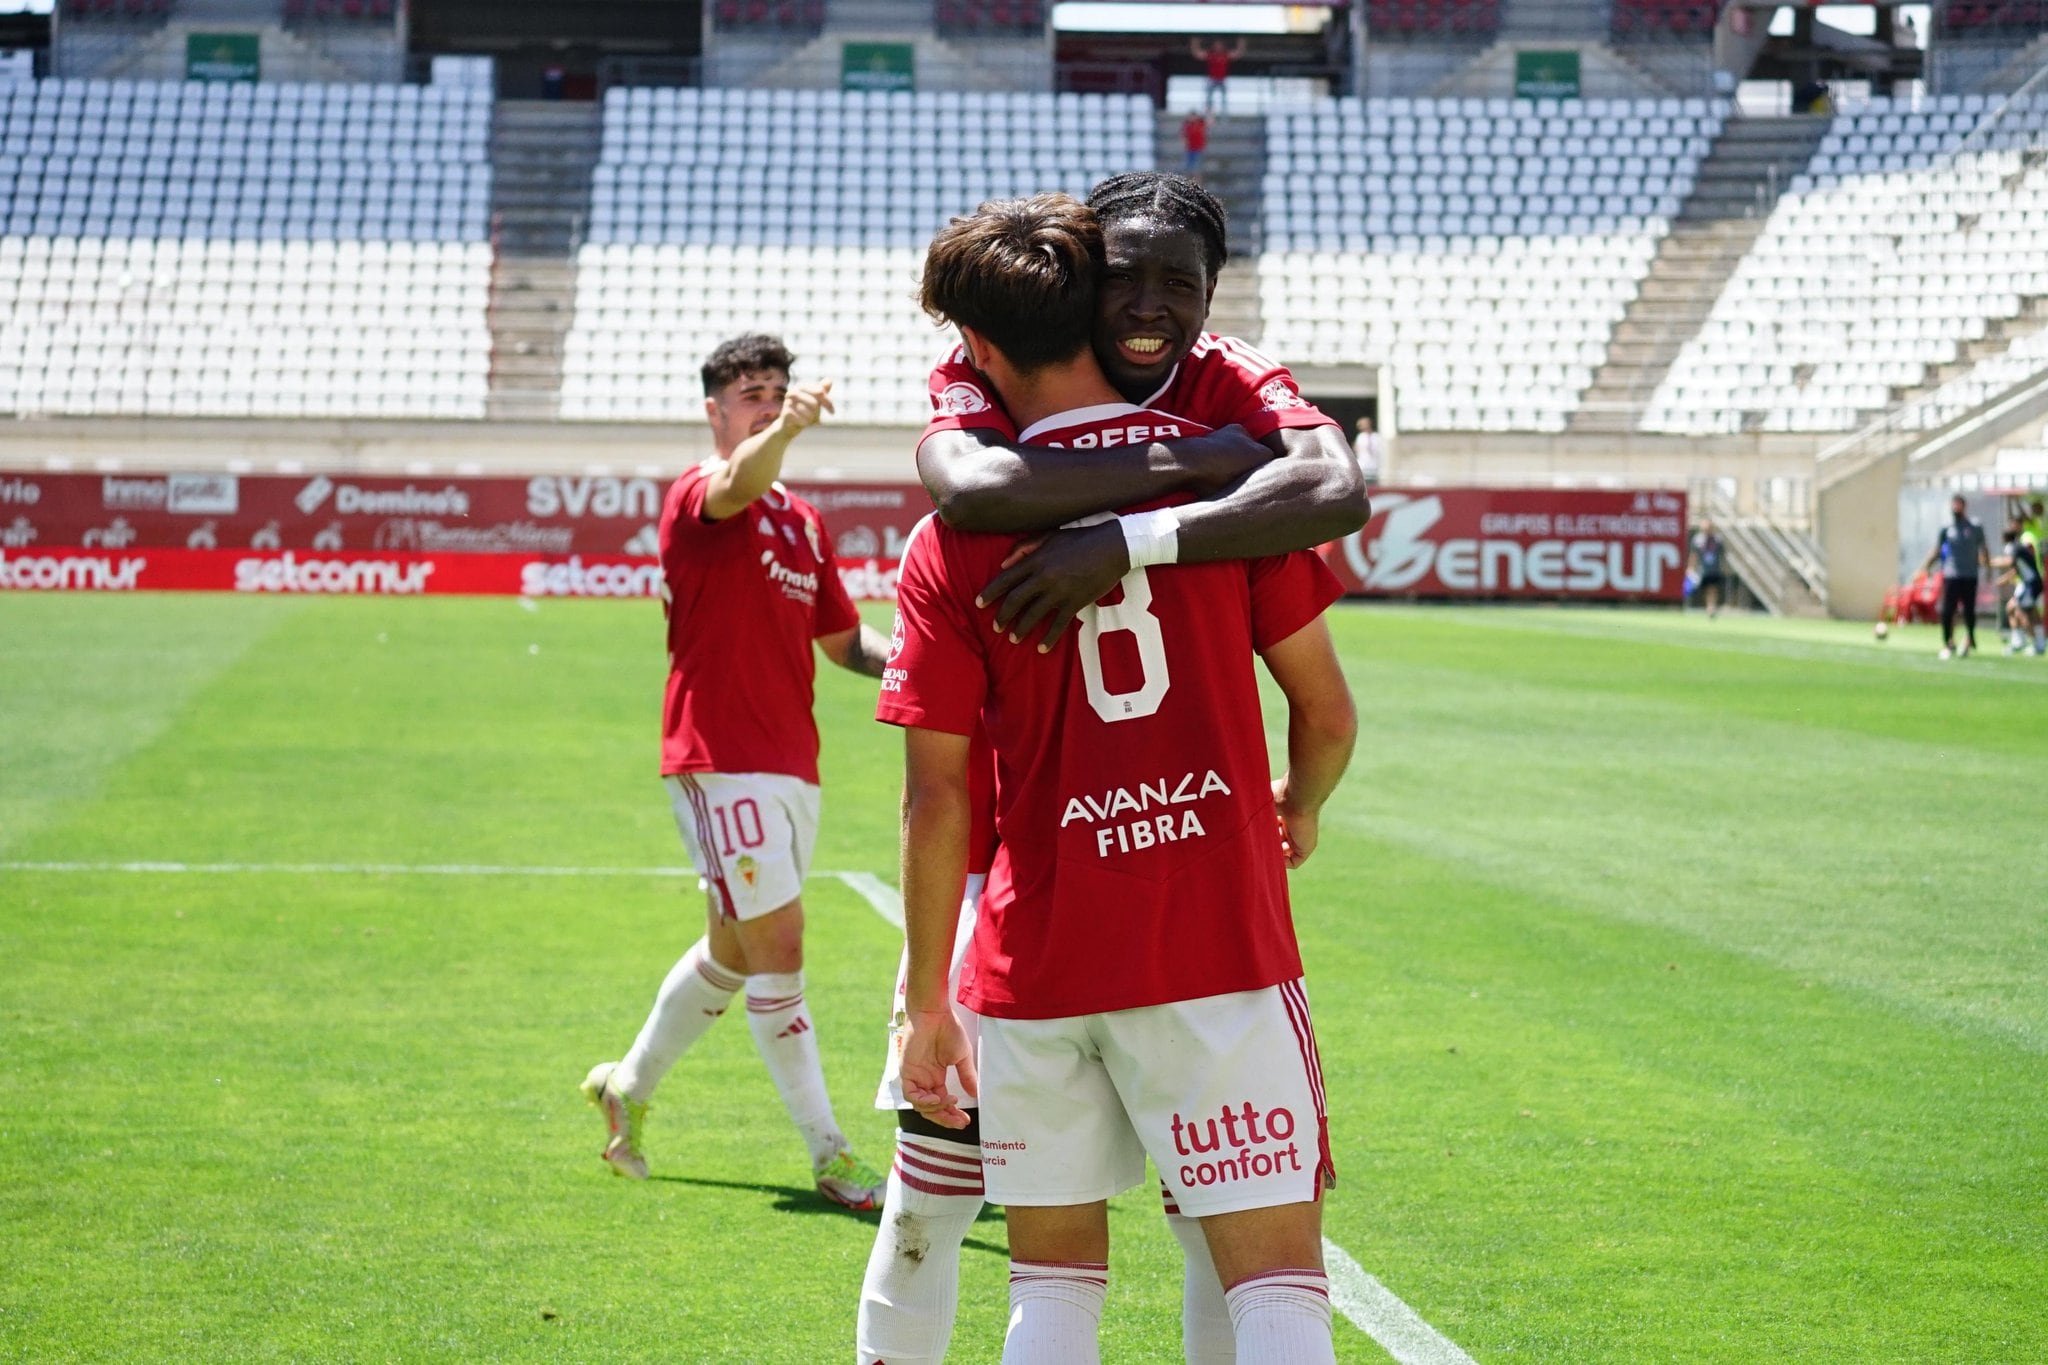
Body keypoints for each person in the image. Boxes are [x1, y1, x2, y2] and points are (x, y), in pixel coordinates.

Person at [858, 173, 1367, 1365]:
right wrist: (1298, 802)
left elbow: (933, 793)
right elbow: (1328, 714)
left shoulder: (947, 542)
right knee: (1275, 1284)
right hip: (1214, 938)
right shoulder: (1243, 483)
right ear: (1083, 293)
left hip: (1031, 953)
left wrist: (928, 998)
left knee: (1050, 1287)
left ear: (978, 342)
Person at [580, 334, 894, 1211]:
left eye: (776, 391)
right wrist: (784, 431)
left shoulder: (803, 521)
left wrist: (917, 661)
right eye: (749, 394)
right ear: (715, 410)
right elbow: (739, 479)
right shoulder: (702, 492)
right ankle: (831, 1154)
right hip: (722, 760)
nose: (766, 402)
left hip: (792, 762)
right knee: (780, 946)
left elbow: (842, 643)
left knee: (733, 947)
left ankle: (627, 1088)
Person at [1923, 493, 1993, 660]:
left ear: (1964, 506)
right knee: (1948, 610)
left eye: (1958, 504)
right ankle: (1948, 642)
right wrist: (1926, 567)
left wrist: (1988, 567)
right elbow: (1937, 550)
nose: (1955, 508)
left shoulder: (1975, 526)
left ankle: (1969, 637)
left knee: (1969, 610)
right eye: (1953, 504)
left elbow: (1984, 548)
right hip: (1951, 574)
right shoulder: (1946, 528)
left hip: (1969, 574)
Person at [1998, 515, 2045, 655]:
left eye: (2014, 523)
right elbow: (2018, 566)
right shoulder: (2020, 542)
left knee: (2024, 611)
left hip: (2030, 582)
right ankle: (2021, 641)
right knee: (2013, 608)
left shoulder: (2024, 541)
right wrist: (2006, 578)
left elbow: (2014, 562)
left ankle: (2036, 643)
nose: (2012, 526)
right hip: (2025, 582)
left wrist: (1988, 563)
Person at [1191, 37, 1245, 113]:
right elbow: (1197, 54)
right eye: (1216, 45)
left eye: (1219, 45)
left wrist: (1241, 43)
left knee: (1224, 100)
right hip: (1211, 79)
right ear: (1213, 46)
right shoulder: (1210, 54)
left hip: (1222, 80)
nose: (1218, 47)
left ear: (1223, 46)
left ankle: (1224, 115)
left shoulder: (1226, 54)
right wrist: (1195, 42)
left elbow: (1237, 54)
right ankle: (1208, 114)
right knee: (1209, 99)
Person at [1689, 520, 1726, 618]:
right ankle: (1708, 606)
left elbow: (1723, 554)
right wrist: (1691, 568)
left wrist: (1724, 567)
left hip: (1714, 569)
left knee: (1712, 588)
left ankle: (1711, 607)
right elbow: (1694, 555)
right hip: (1702, 570)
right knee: (1705, 589)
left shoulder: (1717, 539)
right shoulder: (1698, 539)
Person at [1352, 414, 1383, 485]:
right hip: (1363, 466)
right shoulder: (1360, 437)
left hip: (1374, 466)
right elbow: (1357, 450)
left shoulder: (1376, 436)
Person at [1181, 110, 1209, 176]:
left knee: (1197, 168)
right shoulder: (1187, 125)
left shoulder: (1200, 123)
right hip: (1190, 149)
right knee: (1189, 167)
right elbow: (1184, 137)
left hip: (1198, 149)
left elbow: (1210, 122)